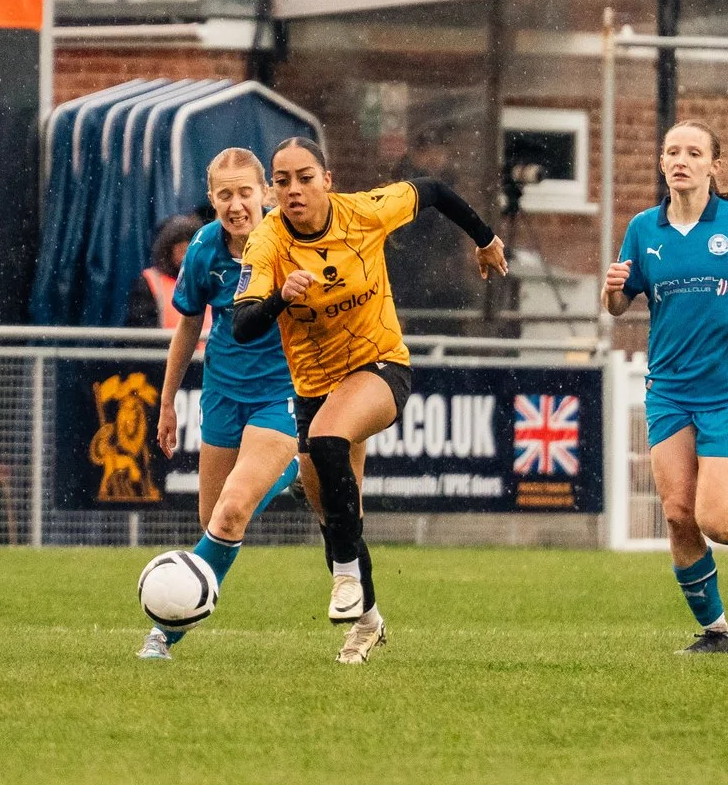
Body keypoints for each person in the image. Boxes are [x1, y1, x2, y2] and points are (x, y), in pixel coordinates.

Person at [230, 136, 507, 664]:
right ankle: (368, 622)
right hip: (313, 389)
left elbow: (435, 192)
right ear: (271, 190)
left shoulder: (364, 212)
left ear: (327, 180)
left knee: (327, 440)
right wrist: (277, 299)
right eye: (282, 181)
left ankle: (344, 575)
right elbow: (243, 325)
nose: (294, 190)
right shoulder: (265, 243)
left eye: (305, 178)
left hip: (380, 366)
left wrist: (486, 238)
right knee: (335, 511)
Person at [604, 121, 728, 655]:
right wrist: (613, 294)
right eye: (672, 151)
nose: (681, 160)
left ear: (715, 166)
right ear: (662, 162)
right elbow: (622, 305)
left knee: (715, 518)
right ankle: (716, 632)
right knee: (676, 513)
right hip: (668, 388)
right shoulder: (645, 229)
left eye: (694, 152)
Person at [138, 149, 306, 661]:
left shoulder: (291, 243)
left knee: (234, 509)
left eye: (246, 192)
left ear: (266, 194)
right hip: (221, 399)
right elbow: (189, 324)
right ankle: (173, 625)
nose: (237, 205)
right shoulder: (206, 249)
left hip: (277, 399)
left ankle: (162, 635)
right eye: (225, 195)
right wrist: (167, 403)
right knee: (216, 523)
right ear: (212, 201)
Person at [124, 215, 203, 329]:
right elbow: (140, 333)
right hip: (166, 346)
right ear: (168, 251)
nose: (186, 256)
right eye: (181, 250)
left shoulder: (210, 279)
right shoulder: (150, 282)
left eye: (191, 249)